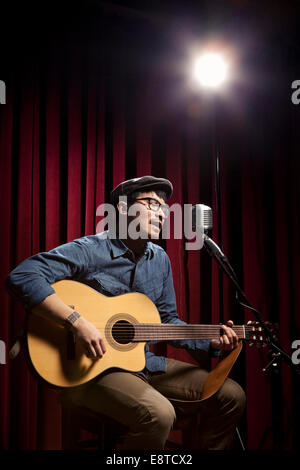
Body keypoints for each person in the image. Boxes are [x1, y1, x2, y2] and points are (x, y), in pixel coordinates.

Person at [6, 175, 245, 450]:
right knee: (159, 414)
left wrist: (210, 341)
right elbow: (23, 276)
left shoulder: (160, 260)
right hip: (91, 370)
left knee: (231, 395)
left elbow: (167, 321)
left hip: (143, 364)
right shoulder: (90, 249)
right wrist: (76, 322)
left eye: (165, 209)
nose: (162, 214)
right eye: (152, 204)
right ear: (122, 208)